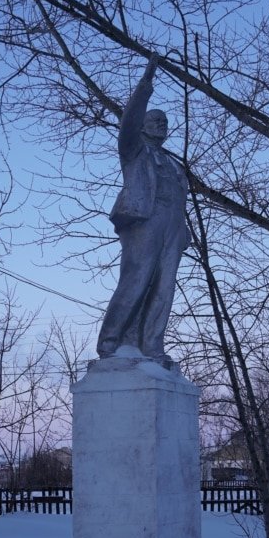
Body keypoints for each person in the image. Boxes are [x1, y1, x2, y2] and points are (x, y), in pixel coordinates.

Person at [96, 54, 190, 364]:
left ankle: (152, 346)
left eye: (165, 122)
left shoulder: (176, 166)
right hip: (144, 221)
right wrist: (145, 84)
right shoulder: (134, 150)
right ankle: (110, 343)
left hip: (172, 228)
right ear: (145, 126)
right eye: (156, 121)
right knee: (137, 278)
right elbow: (129, 121)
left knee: (164, 288)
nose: (162, 125)